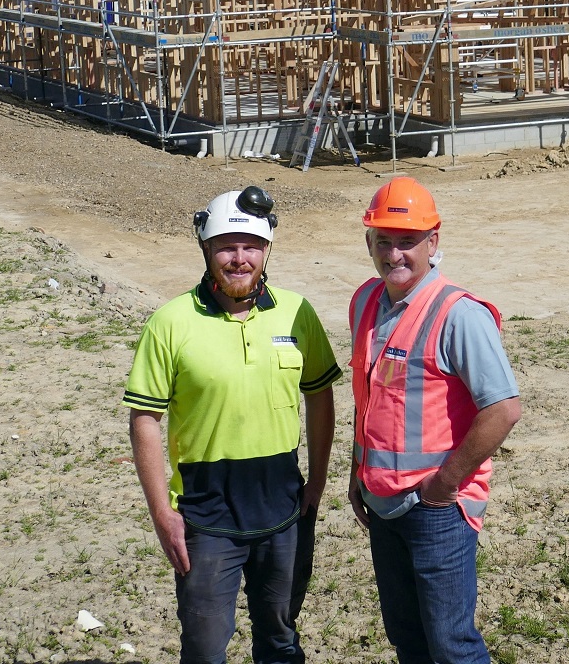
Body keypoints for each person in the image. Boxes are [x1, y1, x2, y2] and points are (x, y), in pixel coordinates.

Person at [123, 186, 340, 664]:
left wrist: (318, 481)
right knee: (203, 650)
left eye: (251, 246)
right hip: (204, 517)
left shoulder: (298, 312)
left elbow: (320, 396)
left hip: (284, 510)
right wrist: (162, 513)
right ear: (206, 249)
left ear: (266, 251)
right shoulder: (170, 321)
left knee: (280, 640)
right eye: (226, 245)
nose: (239, 258)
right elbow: (145, 420)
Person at [347, 177, 521, 664]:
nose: (395, 254)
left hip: (436, 510)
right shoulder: (364, 302)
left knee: (451, 647)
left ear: (433, 242)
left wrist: (445, 484)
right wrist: (357, 474)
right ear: (369, 242)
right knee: (409, 639)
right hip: (382, 504)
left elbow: (504, 409)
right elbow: (368, 401)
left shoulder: (459, 315)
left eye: (408, 241)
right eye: (384, 240)